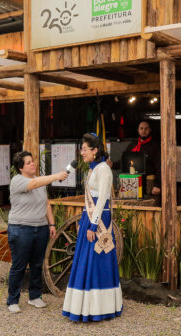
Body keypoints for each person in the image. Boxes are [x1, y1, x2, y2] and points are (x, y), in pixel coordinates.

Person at [63, 133, 122, 322]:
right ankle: (84, 306)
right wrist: (84, 222)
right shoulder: (92, 169)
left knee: (97, 259)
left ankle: (100, 307)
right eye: (81, 149)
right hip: (89, 216)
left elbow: (103, 197)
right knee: (85, 259)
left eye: (85, 149)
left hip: (99, 218)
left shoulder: (103, 169)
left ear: (95, 150)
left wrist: (93, 225)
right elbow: (89, 198)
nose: (81, 153)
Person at [6, 151, 69, 314]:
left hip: (40, 228)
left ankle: (35, 297)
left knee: (36, 264)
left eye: (32, 161)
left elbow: (46, 204)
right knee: (19, 266)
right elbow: (33, 185)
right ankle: (12, 300)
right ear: (20, 168)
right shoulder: (17, 181)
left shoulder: (39, 182)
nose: (32, 164)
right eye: (28, 163)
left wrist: (52, 223)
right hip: (21, 228)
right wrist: (56, 176)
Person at [109, 120, 161, 196]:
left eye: (146, 128)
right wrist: (113, 164)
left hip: (149, 185)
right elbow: (124, 161)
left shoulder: (155, 146)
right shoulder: (132, 146)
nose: (144, 131)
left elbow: (159, 167)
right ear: (138, 130)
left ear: (150, 130)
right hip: (132, 183)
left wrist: (157, 185)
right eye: (141, 128)